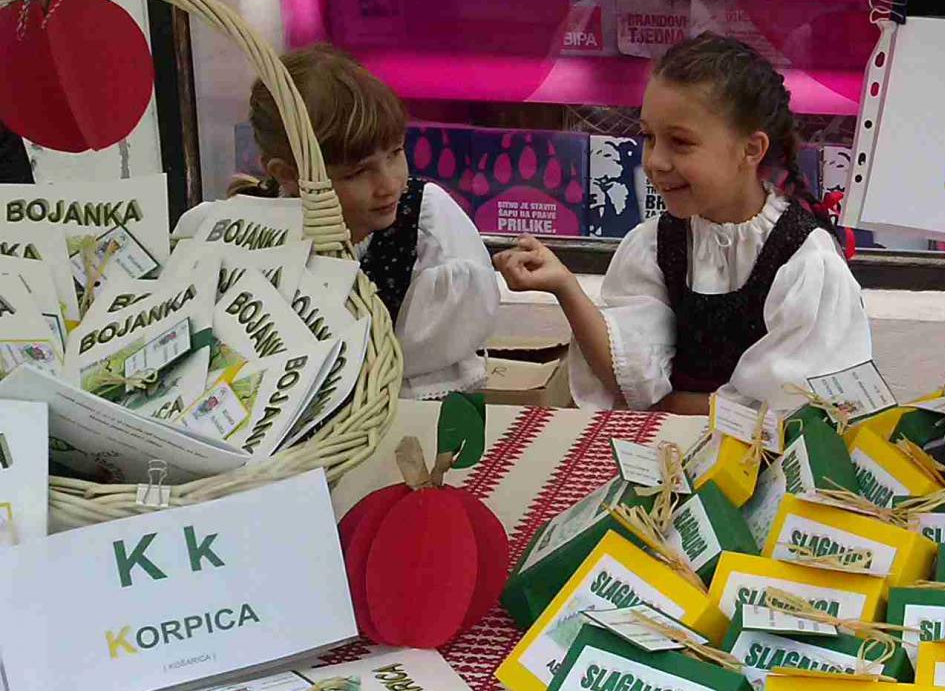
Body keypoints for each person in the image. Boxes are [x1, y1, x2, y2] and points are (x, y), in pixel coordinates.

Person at [495, 33, 870, 415]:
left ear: (751, 149)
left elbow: (785, 412)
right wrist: (565, 287)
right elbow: (629, 380)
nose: (655, 161)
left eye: (680, 142)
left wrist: (667, 404)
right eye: (649, 137)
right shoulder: (657, 244)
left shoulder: (806, 259)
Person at [212, 43, 497, 398]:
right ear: (287, 174)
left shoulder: (427, 224)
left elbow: (418, 367)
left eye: (395, 153)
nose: (389, 184)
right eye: (357, 173)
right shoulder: (251, 232)